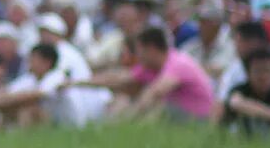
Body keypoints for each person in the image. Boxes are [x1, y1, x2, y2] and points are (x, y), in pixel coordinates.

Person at [72, 28, 214, 121]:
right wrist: (77, 83)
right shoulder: (150, 67)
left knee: (155, 107)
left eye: (139, 50)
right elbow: (116, 79)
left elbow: (155, 92)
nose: (137, 55)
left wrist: (128, 119)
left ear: (151, 49)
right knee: (123, 96)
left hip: (199, 119)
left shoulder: (178, 63)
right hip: (179, 119)